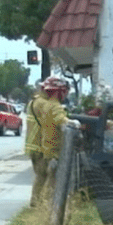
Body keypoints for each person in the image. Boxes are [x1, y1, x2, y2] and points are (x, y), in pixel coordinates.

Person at [24, 76, 79, 207]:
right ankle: (40, 203)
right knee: (45, 176)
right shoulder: (45, 104)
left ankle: (36, 202)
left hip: (34, 145)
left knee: (40, 176)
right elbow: (57, 118)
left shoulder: (35, 102)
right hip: (40, 146)